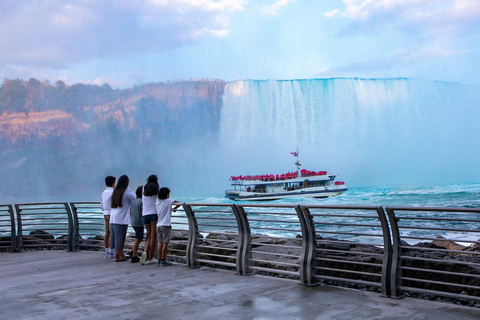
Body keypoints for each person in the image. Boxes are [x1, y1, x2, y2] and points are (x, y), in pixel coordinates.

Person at [110, 175, 136, 262]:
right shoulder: (127, 191)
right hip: (121, 217)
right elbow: (135, 198)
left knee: (118, 236)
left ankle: (120, 253)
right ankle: (117, 255)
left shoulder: (115, 191)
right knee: (119, 237)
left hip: (114, 216)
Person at [156, 187, 181, 266]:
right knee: (165, 243)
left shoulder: (158, 202)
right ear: (167, 195)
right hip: (165, 225)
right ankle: (163, 260)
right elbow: (179, 203)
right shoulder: (168, 201)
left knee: (160, 243)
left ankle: (159, 260)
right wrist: (174, 209)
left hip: (158, 225)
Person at [140, 174, 160, 265]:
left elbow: (143, 200)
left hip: (145, 214)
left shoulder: (144, 188)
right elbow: (158, 201)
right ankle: (151, 258)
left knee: (149, 236)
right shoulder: (156, 188)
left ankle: (144, 252)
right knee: (153, 237)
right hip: (153, 214)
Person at [100, 176, 116, 258]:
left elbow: (101, 205)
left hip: (105, 213)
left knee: (107, 232)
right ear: (113, 183)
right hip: (112, 213)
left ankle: (107, 251)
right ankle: (112, 251)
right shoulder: (113, 192)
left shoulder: (103, 192)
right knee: (112, 233)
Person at [130, 186, 144, 263]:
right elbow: (142, 212)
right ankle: (134, 255)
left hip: (133, 221)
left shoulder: (134, 201)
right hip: (139, 222)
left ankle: (133, 251)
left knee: (138, 238)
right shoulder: (142, 202)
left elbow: (130, 211)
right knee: (138, 239)